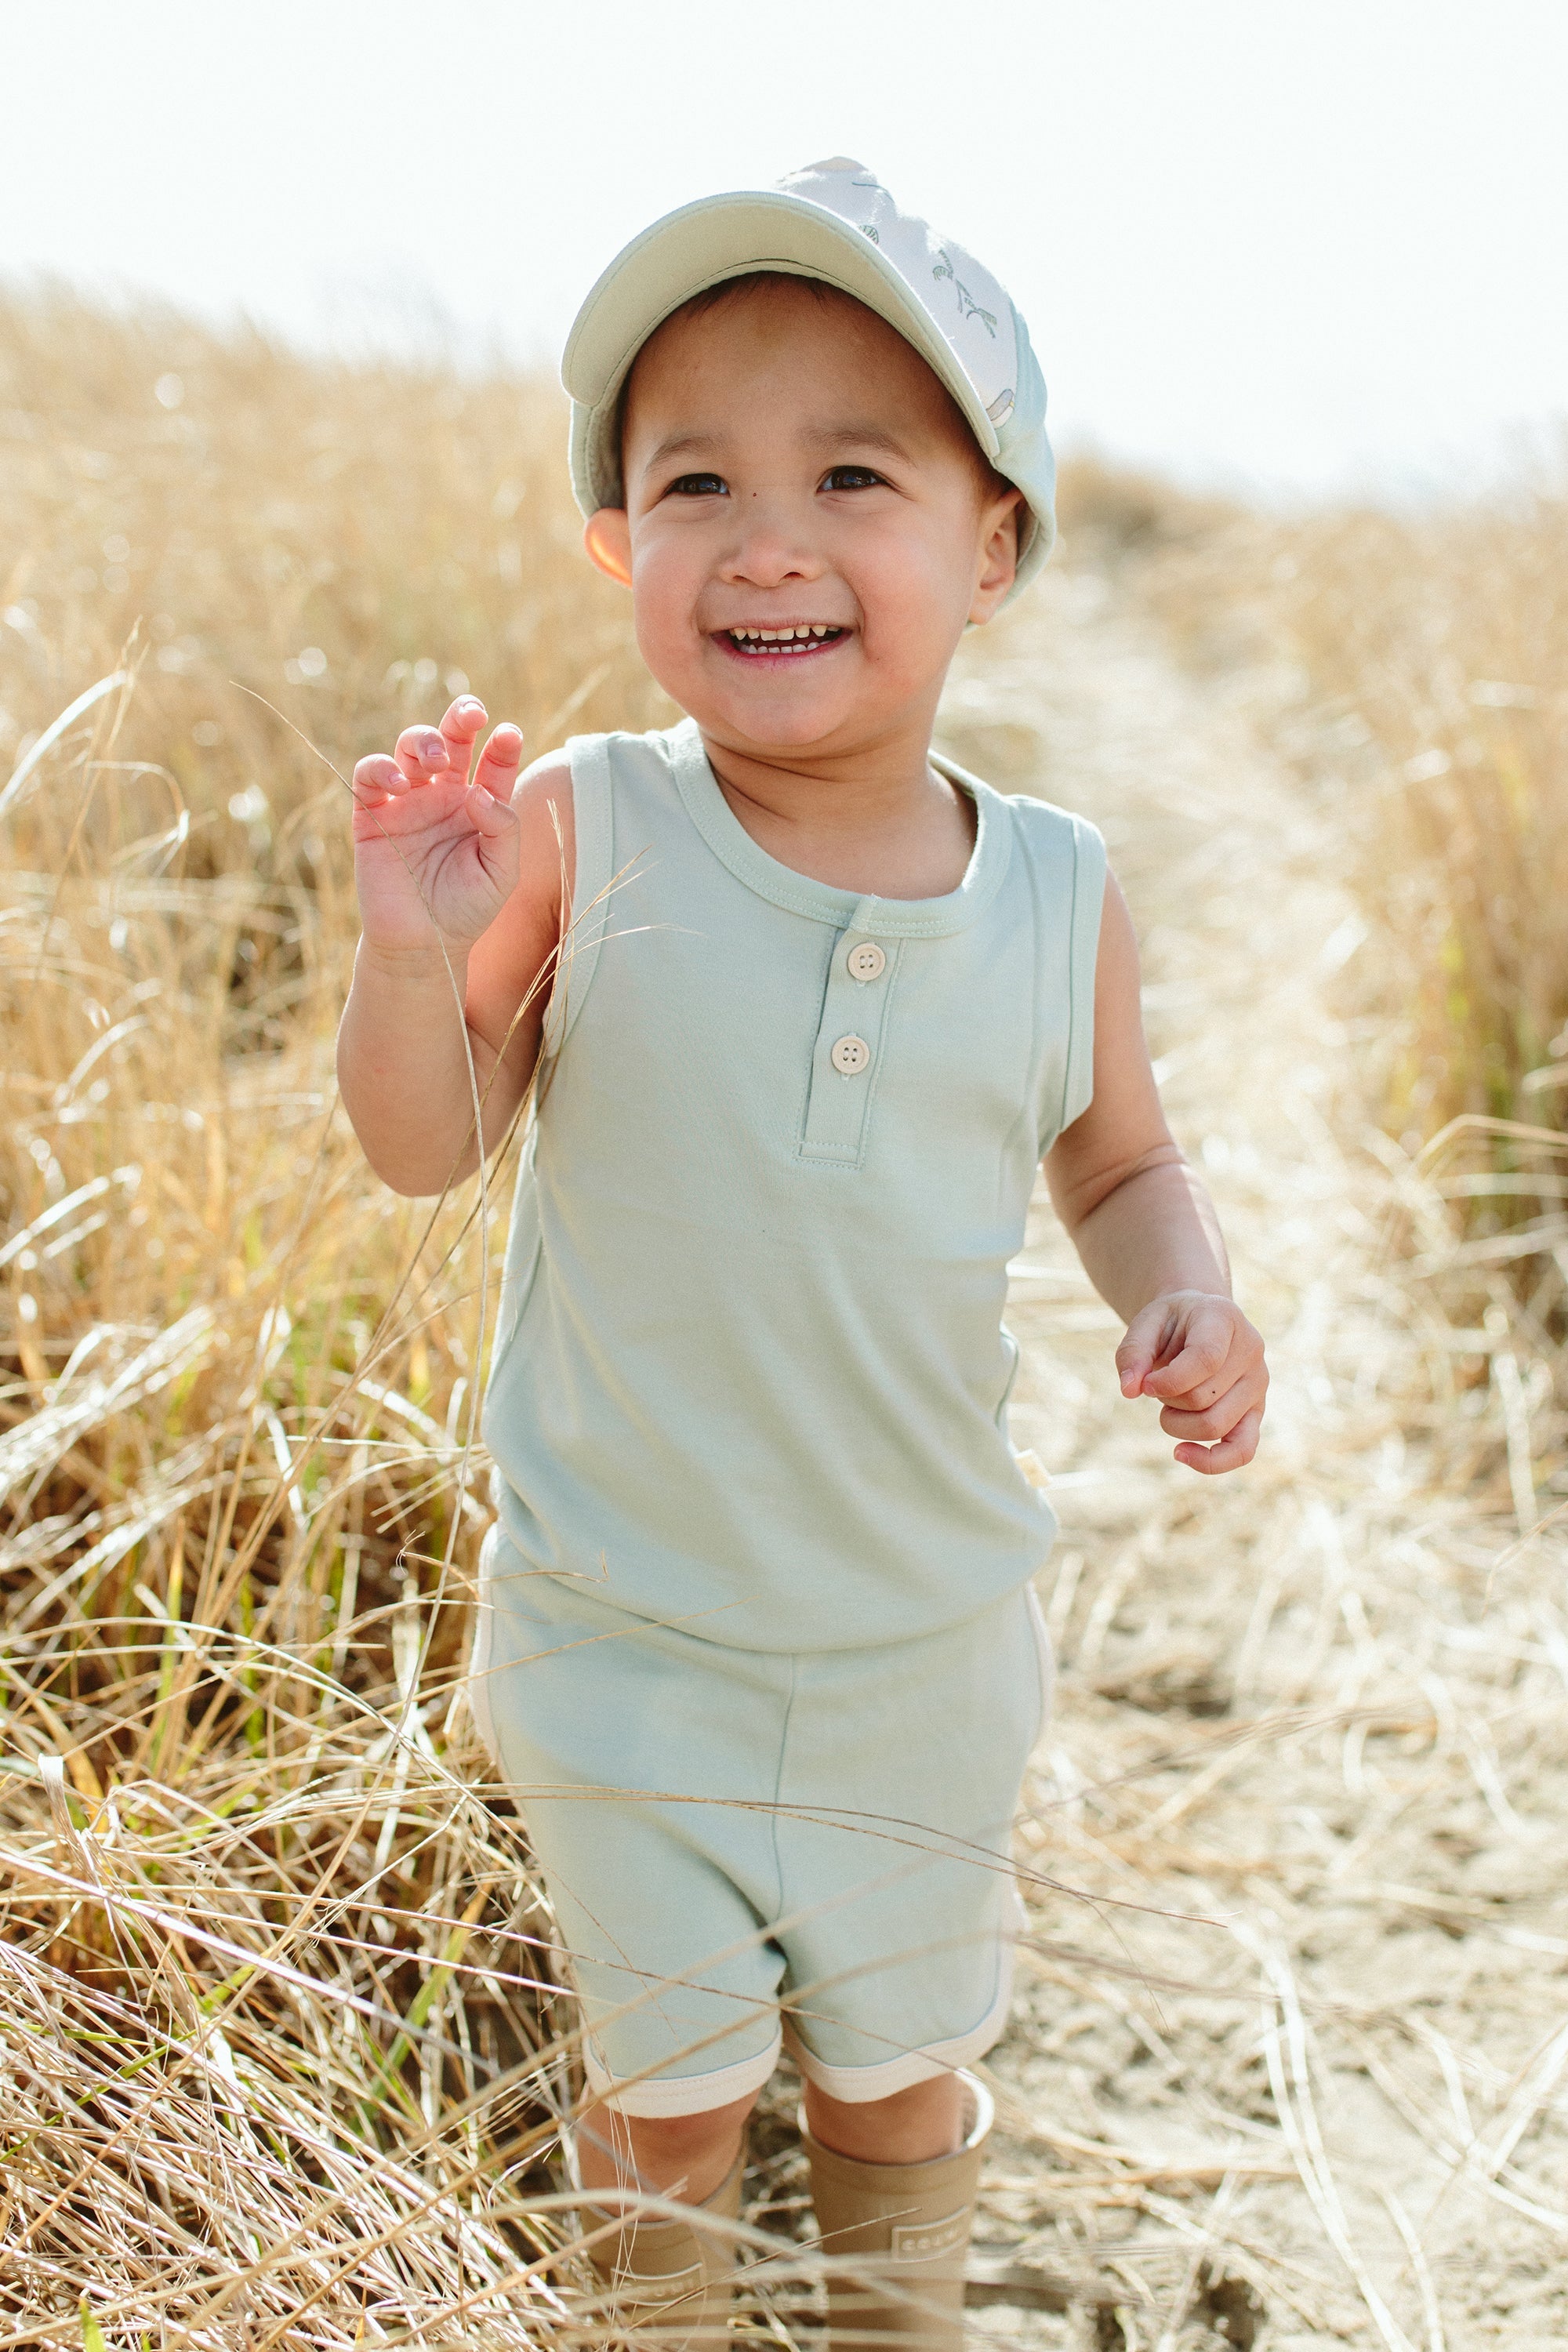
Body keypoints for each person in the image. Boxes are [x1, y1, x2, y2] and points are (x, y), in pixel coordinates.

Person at [336, 160, 1267, 2347]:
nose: (766, 536)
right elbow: (421, 1146)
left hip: (922, 1647)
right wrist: (413, 962)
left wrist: (1180, 1284)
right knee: (665, 2095)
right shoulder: (586, 823)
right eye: (693, 484)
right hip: (622, 1629)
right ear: (615, 548)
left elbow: (1120, 1154)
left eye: (854, 474)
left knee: (896, 2076)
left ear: (994, 546)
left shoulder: (1057, 892)